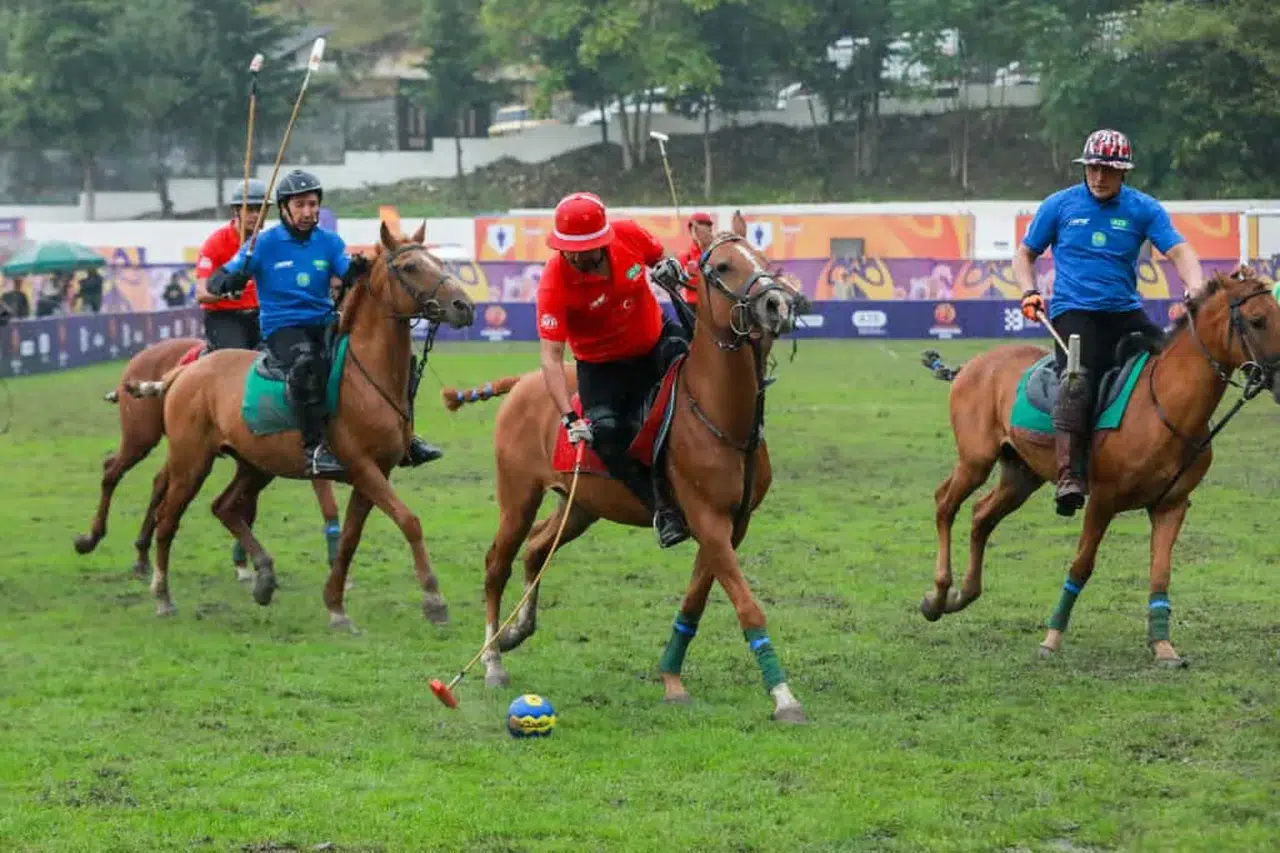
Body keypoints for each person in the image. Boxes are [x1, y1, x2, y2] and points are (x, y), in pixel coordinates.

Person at [1016, 128, 1205, 517]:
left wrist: (1196, 286)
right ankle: (1070, 476)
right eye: (1093, 168)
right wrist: (1028, 291)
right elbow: (1025, 254)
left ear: (1124, 173)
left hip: (1125, 312)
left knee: (1172, 361)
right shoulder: (1059, 205)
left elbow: (1179, 250)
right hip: (1074, 312)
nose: (1099, 177)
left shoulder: (1143, 208)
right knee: (1078, 377)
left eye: (1109, 170)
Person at [206, 169, 443, 477]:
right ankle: (314, 447)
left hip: (325, 322)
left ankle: (407, 437)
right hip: (284, 328)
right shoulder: (264, 244)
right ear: (285, 209)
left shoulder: (329, 242)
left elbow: (347, 274)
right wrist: (232, 279)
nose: (308, 212)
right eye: (301, 205)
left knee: (398, 362)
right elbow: (215, 281)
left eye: (313, 204)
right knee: (309, 364)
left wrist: (358, 268)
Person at [536, 191, 694, 548]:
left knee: (699, 369)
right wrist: (567, 417)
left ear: (603, 239)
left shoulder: (628, 235)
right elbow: (550, 356)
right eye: (569, 248)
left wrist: (670, 267)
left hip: (655, 342)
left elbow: (662, 258)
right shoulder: (554, 282)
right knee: (604, 434)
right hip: (601, 368)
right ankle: (663, 509)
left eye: (585, 247)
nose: (577, 255)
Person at [194, 179, 269, 351]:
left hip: (260, 316)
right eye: (250, 210)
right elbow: (201, 294)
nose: (257, 216)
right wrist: (227, 293)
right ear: (236, 211)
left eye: (261, 210)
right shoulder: (215, 244)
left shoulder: (267, 243)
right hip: (224, 318)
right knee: (238, 360)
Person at [677, 211, 715, 306]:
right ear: (691, 231)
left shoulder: (718, 253)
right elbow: (677, 285)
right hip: (693, 306)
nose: (699, 231)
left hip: (715, 304)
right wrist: (687, 275)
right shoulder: (684, 256)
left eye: (704, 226)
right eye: (695, 228)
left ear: (710, 229)